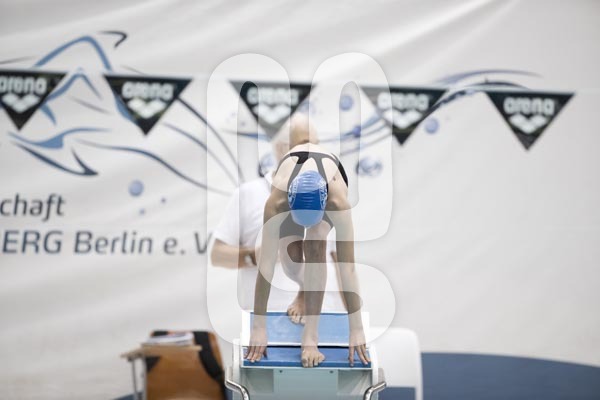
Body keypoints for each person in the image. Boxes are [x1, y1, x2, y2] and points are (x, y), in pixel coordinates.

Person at [245, 115, 369, 368]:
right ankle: (305, 286)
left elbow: (347, 267)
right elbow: (266, 265)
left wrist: (356, 329)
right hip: (293, 186)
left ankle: (310, 338)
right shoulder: (277, 200)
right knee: (290, 264)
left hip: (326, 188)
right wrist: (259, 327)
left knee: (316, 245)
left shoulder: (337, 203)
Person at [210, 119, 346, 320]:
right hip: (271, 318)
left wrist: (351, 321)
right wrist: (254, 256)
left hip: (326, 315)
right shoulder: (248, 194)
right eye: (306, 143)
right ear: (281, 149)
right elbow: (217, 255)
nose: (314, 151)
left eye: (317, 144)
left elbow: (339, 262)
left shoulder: (328, 193)